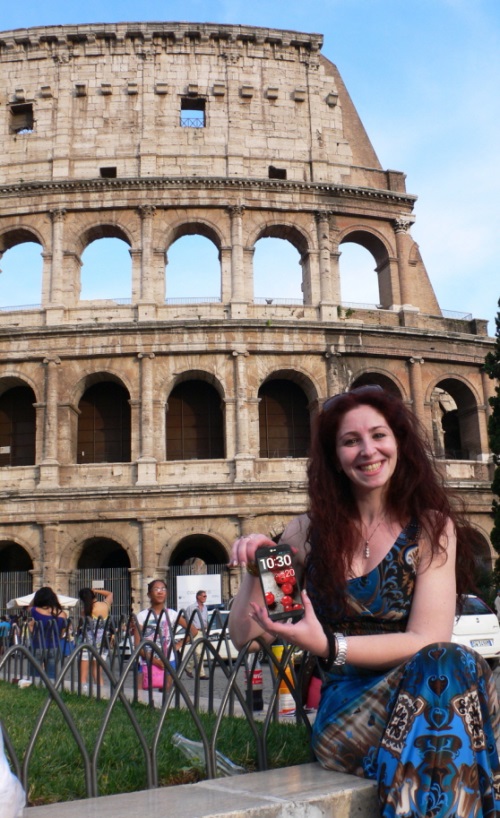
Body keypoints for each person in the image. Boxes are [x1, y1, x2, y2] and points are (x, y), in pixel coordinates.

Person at [229, 384, 500, 817]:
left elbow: (427, 637)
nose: (367, 450)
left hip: (429, 696)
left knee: (449, 665)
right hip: (350, 714)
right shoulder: (306, 533)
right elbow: (247, 635)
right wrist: (253, 571)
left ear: (399, 442)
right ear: (334, 457)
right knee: (454, 699)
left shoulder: (431, 529)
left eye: (378, 435)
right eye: (350, 441)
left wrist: (329, 646)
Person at [132, 579, 197, 690]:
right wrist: (156, 661)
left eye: (163, 589)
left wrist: (179, 644)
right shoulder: (142, 616)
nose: (160, 592)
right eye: (156, 589)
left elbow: (193, 631)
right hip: (146, 659)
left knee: (167, 695)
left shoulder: (172, 614)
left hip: (168, 659)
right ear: (149, 594)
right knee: (141, 694)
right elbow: (138, 645)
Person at [77, 587, 113, 691]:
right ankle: (100, 694)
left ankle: (83, 693)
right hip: (101, 643)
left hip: (86, 643)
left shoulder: (85, 611)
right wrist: (95, 590)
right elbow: (110, 593)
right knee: (97, 673)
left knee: (83, 674)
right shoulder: (105, 606)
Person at [28, 586, 67, 680]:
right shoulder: (62, 614)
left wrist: (37, 597)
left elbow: (29, 605)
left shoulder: (34, 611)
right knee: (52, 675)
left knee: (34, 675)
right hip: (54, 646)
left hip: (38, 645)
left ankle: (35, 692)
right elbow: (62, 634)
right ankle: (50, 693)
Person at [184, 590, 209, 679]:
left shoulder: (205, 608)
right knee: (197, 652)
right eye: (204, 596)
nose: (205, 597)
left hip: (203, 631)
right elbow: (186, 620)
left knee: (200, 653)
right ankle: (189, 667)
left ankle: (198, 672)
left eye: (206, 596)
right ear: (198, 597)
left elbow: (206, 619)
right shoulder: (191, 607)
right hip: (195, 632)